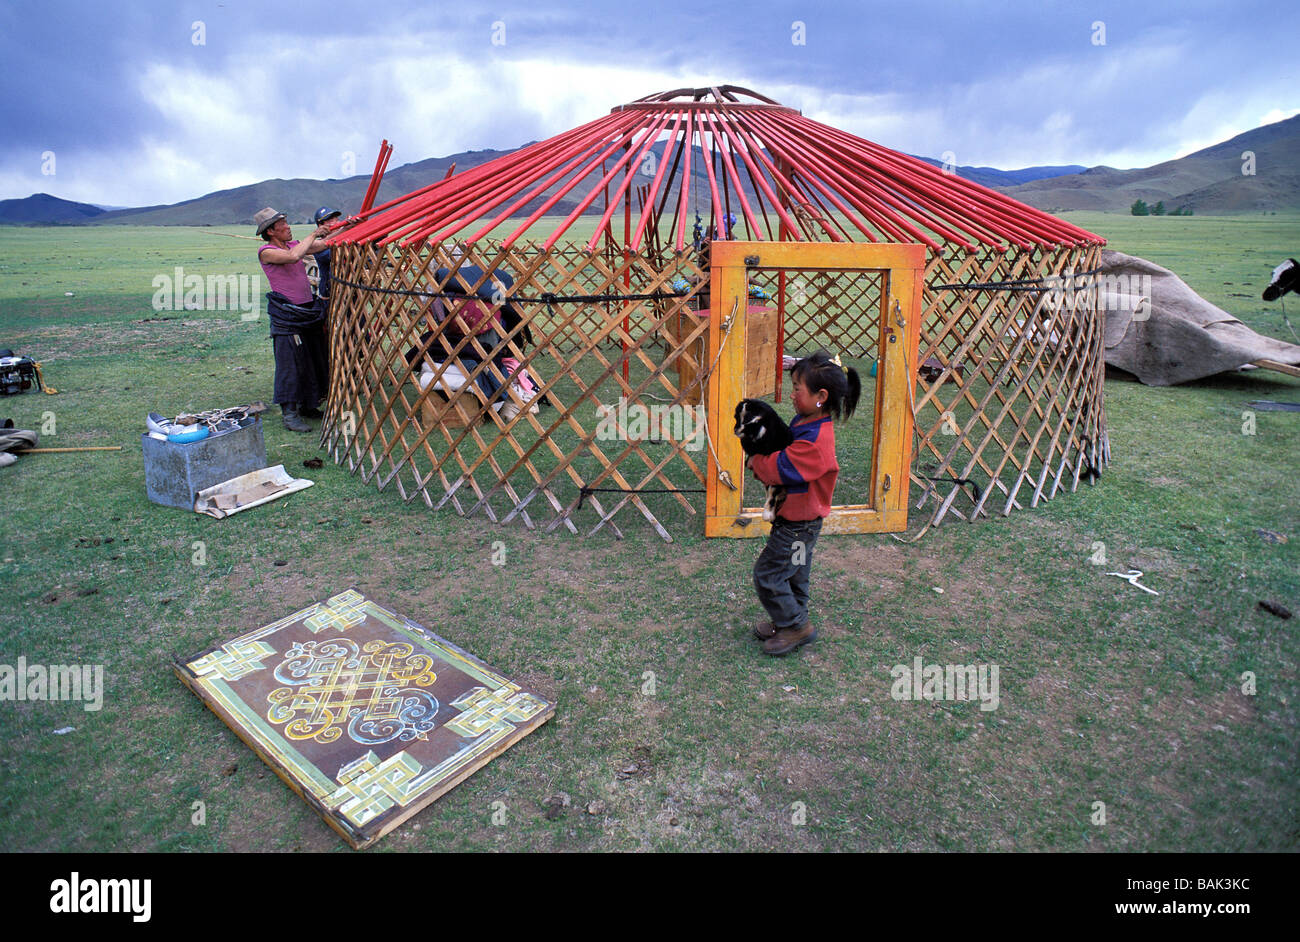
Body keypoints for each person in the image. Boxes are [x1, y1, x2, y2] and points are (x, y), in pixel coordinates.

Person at [746, 350, 861, 656]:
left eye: (798, 389)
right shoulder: (807, 421)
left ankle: (796, 626)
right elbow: (784, 444)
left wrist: (756, 461)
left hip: (798, 525)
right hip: (799, 522)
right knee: (795, 572)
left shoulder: (816, 443)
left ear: (820, 396)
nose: (793, 394)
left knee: (768, 574)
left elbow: (781, 467)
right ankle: (788, 621)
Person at [254, 207, 331, 432]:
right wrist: (313, 234)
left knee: (311, 359)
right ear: (271, 232)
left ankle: (309, 405)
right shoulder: (266, 251)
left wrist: (345, 229)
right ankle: (289, 414)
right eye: (283, 225)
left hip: (306, 311)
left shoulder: (292, 244)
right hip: (287, 315)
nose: (288, 227)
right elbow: (293, 257)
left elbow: (323, 245)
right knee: (291, 364)